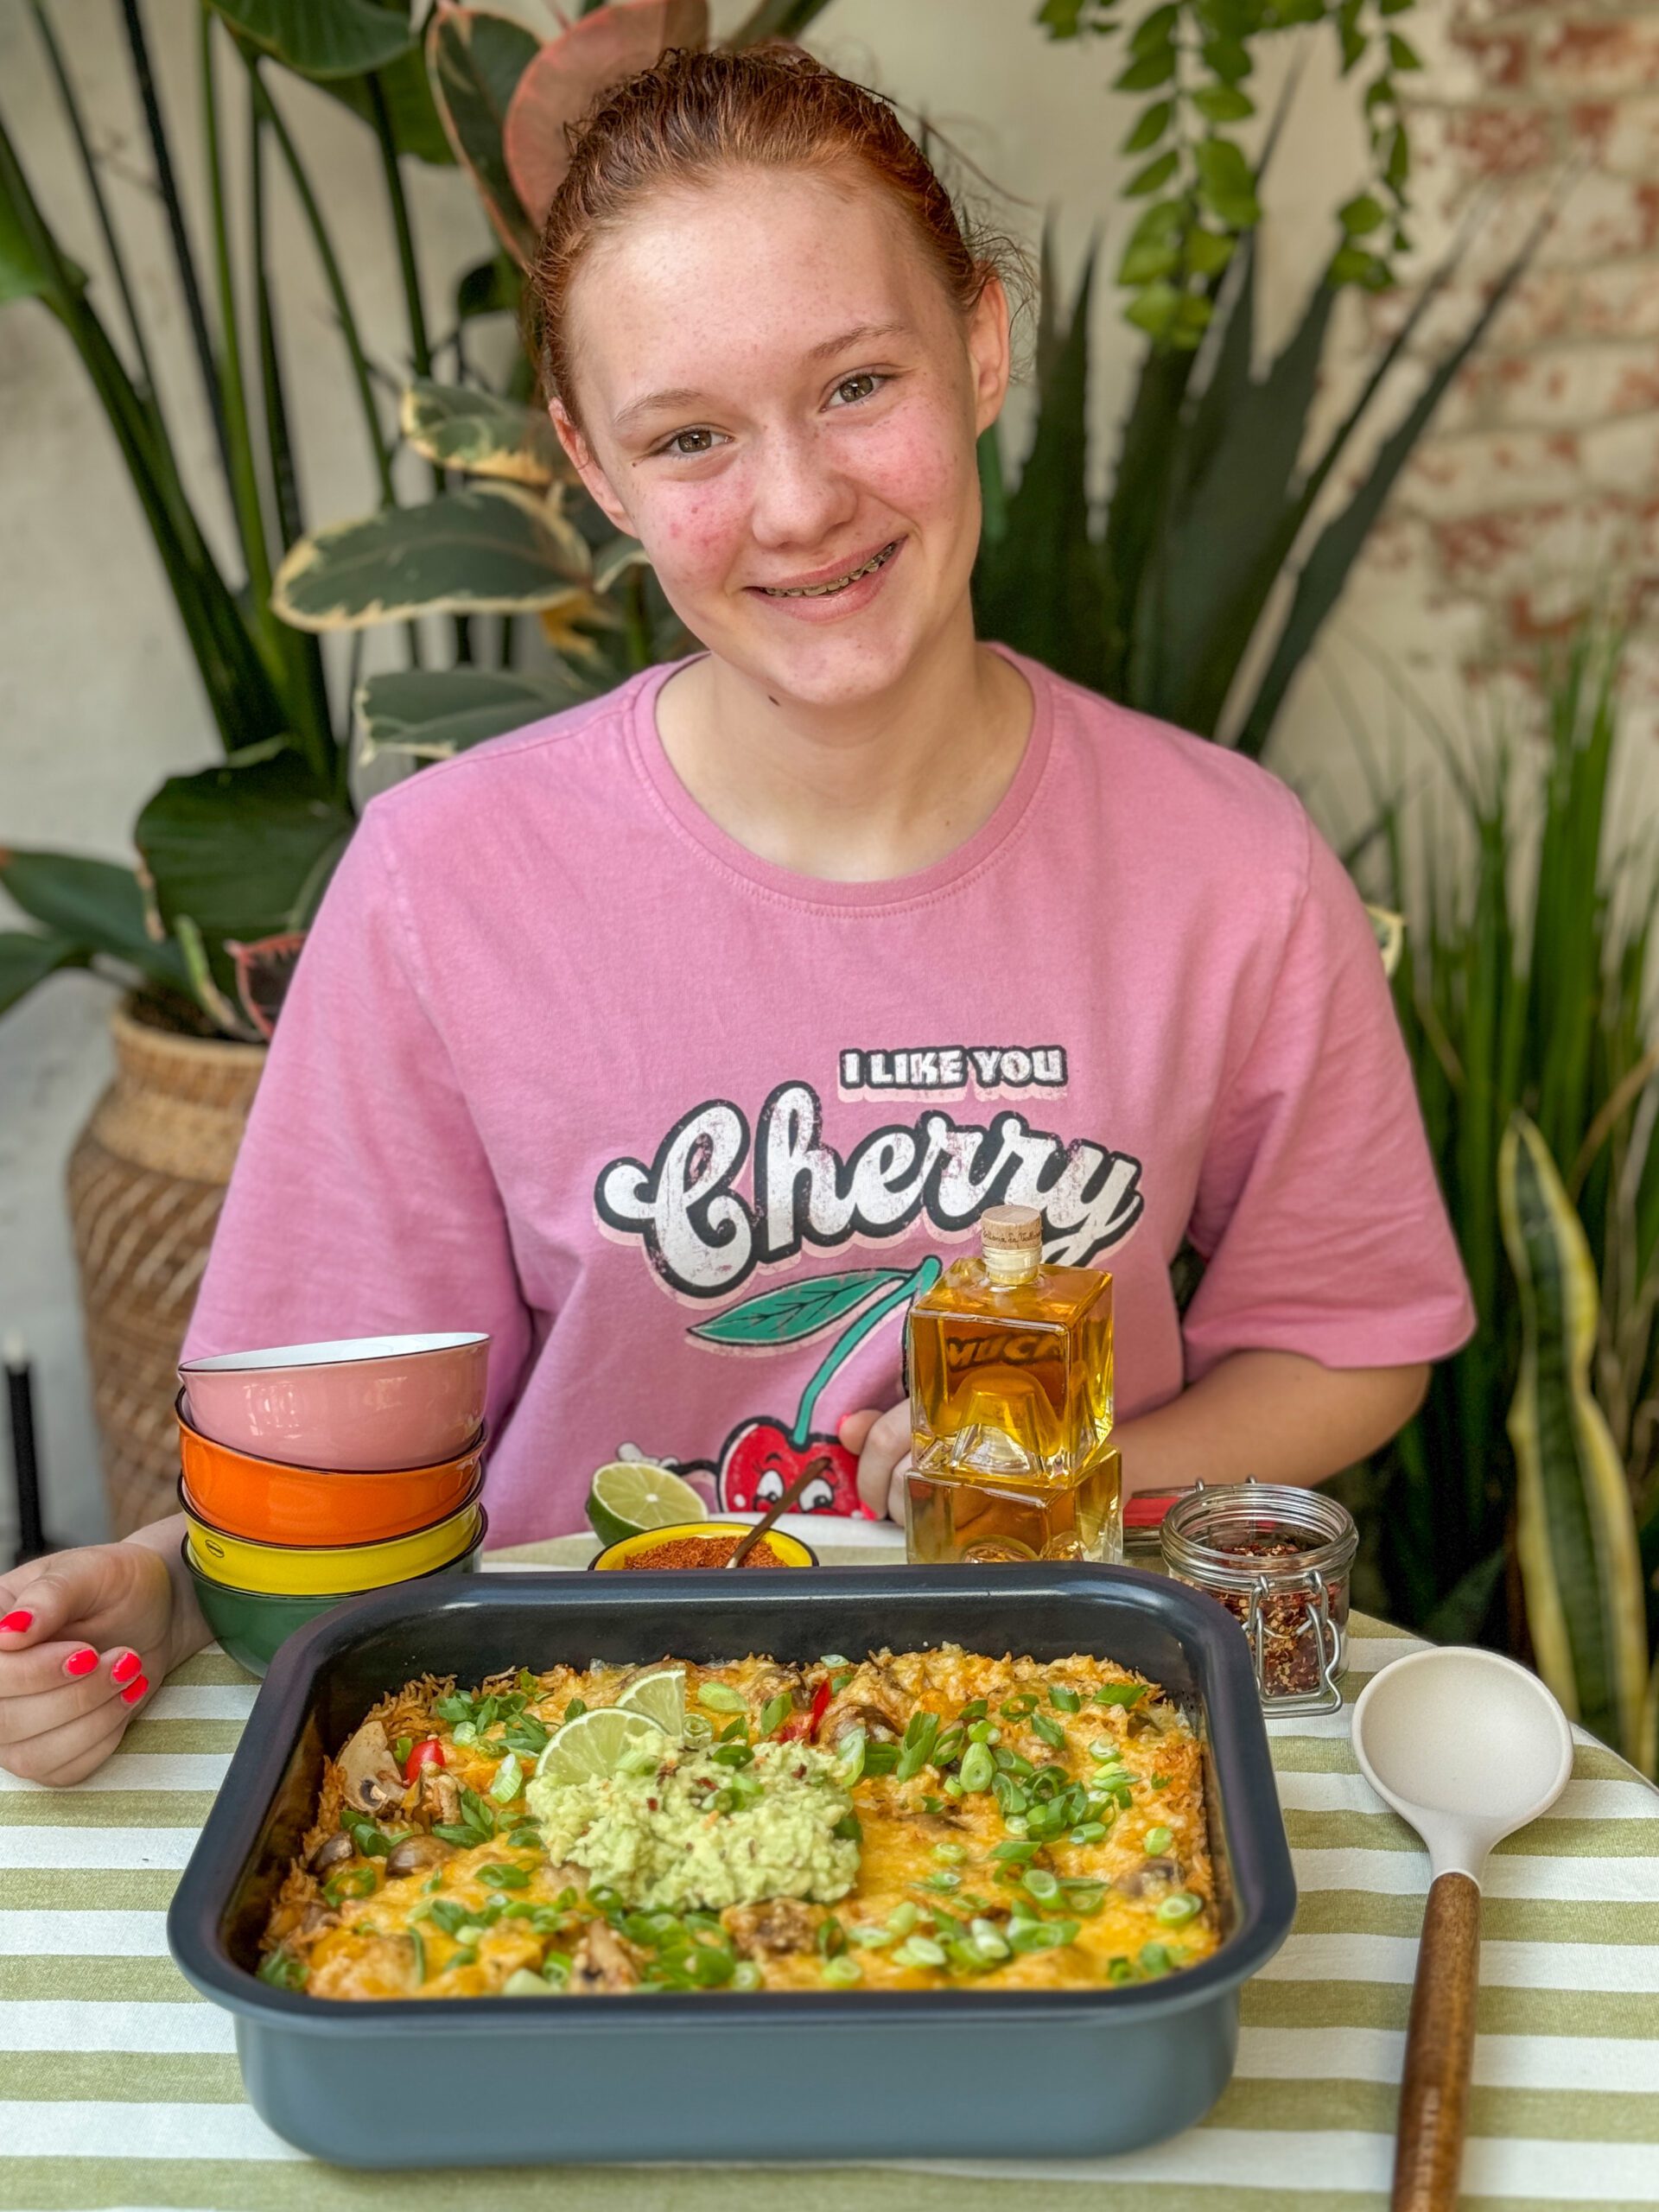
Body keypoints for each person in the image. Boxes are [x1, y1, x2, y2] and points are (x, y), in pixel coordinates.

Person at [0, 46, 1472, 1784]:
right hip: (573, 1763)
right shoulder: (440, 882)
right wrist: (162, 1594)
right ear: (592, 469)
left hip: (1053, 1746)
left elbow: (1344, 1335)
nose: (795, 502)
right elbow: (345, 1438)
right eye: (689, 435)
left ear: (982, 346)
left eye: (858, 383)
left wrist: (1056, 1474)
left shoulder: (1233, 862)